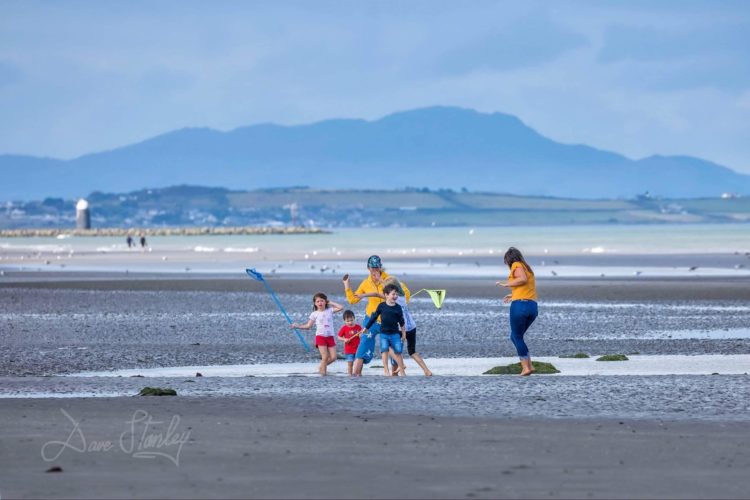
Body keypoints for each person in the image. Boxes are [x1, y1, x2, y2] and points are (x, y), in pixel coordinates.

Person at [343, 255, 411, 376]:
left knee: (394, 347)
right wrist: (347, 285)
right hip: (371, 318)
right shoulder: (366, 283)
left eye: (377, 267)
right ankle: (356, 375)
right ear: (368, 268)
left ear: (380, 267)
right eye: (372, 267)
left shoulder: (390, 280)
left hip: (389, 320)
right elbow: (353, 300)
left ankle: (395, 375)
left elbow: (405, 294)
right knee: (363, 344)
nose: (374, 270)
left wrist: (383, 282)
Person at [362, 276, 433, 376]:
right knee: (412, 352)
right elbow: (391, 286)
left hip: (401, 328)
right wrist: (381, 280)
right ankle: (427, 371)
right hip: (412, 327)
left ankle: (401, 365)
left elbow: (377, 294)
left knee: (387, 346)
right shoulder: (402, 296)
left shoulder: (393, 297)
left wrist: (362, 295)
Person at [496, 247, 538, 376]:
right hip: (532, 306)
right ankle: (530, 366)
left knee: (516, 336)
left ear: (509, 259)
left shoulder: (516, 265)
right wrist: (513, 295)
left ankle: (526, 368)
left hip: (520, 306)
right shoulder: (527, 267)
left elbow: (522, 279)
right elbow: (525, 286)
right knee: (515, 337)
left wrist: (506, 284)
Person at [291, 292, 344, 376]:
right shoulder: (314, 314)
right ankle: (323, 374)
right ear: (315, 303)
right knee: (325, 357)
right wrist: (298, 326)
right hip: (320, 337)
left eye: (322, 301)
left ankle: (321, 368)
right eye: (318, 301)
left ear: (325, 302)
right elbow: (308, 326)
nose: (320, 303)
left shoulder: (330, 310)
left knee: (334, 357)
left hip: (330, 337)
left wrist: (330, 302)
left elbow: (341, 307)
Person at [361, 284, 407, 376]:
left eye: (396, 294)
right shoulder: (381, 306)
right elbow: (373, 318)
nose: (395, 296)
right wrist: (366, 328)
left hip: (395, 334)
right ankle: (386, 370)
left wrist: (403, 333)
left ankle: (402, 371)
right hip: (384, 334)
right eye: (393, 294)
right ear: (386, 295)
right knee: (384, 350)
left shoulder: (398, 307)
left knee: (398, 351)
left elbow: (402, 322)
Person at [337, 310, 362, 376]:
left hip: (358, 349)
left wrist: (360, 335)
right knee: (350, 363)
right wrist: (344, 339)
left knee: (359, 363)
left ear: (354, 318)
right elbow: (339, 337)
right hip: (349, 350)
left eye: (351, 320)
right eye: (347, 321)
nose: (350, 322)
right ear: (344, 321)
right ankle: (350, 374)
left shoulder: (358, 327)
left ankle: (359, 373)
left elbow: (361, 335)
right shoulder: (344, 328)